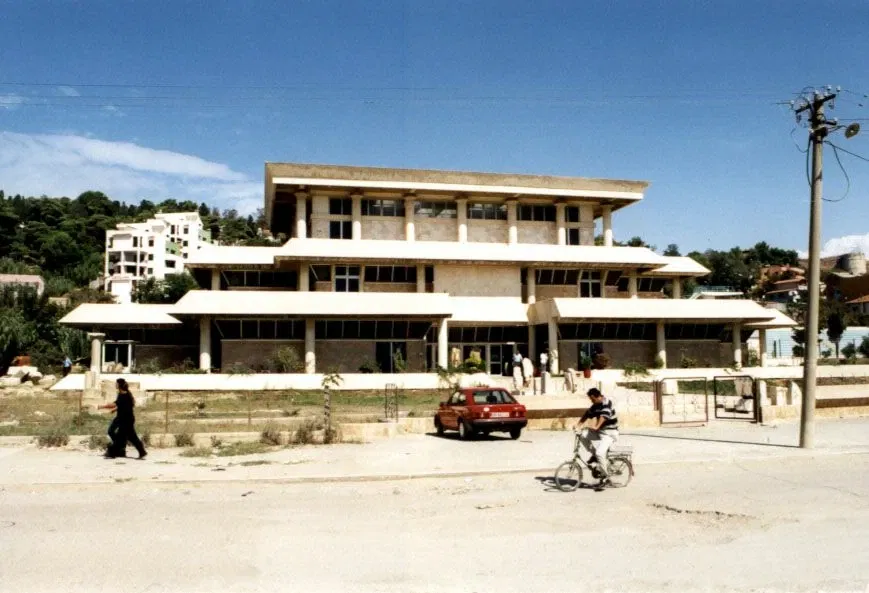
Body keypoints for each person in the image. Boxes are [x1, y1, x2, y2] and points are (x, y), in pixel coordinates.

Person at [575, 388, 619, 483]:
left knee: (600, 453)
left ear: (598, 397)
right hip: (600, 431)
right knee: (582, 434)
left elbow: (604, 416)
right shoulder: (596, 405)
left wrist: (596, 426)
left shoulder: (606, 403)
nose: (591, 401)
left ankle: (606, 477)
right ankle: (594, 455)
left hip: (610, 433)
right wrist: (578, 426)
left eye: (592, 399)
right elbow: (587, 414)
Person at [99, 378, 147, 460]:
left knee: (122, 437)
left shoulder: (124, 395)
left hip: (126, 419)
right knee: (131, 437)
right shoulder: (123, 393)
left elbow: (114, 404)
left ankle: (112, 453)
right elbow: (123, 405)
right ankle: (141, 452)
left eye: (116, 383)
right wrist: (115, 409)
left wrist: (102, 406)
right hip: (124, 418)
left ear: (119, 385)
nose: (115, 385)